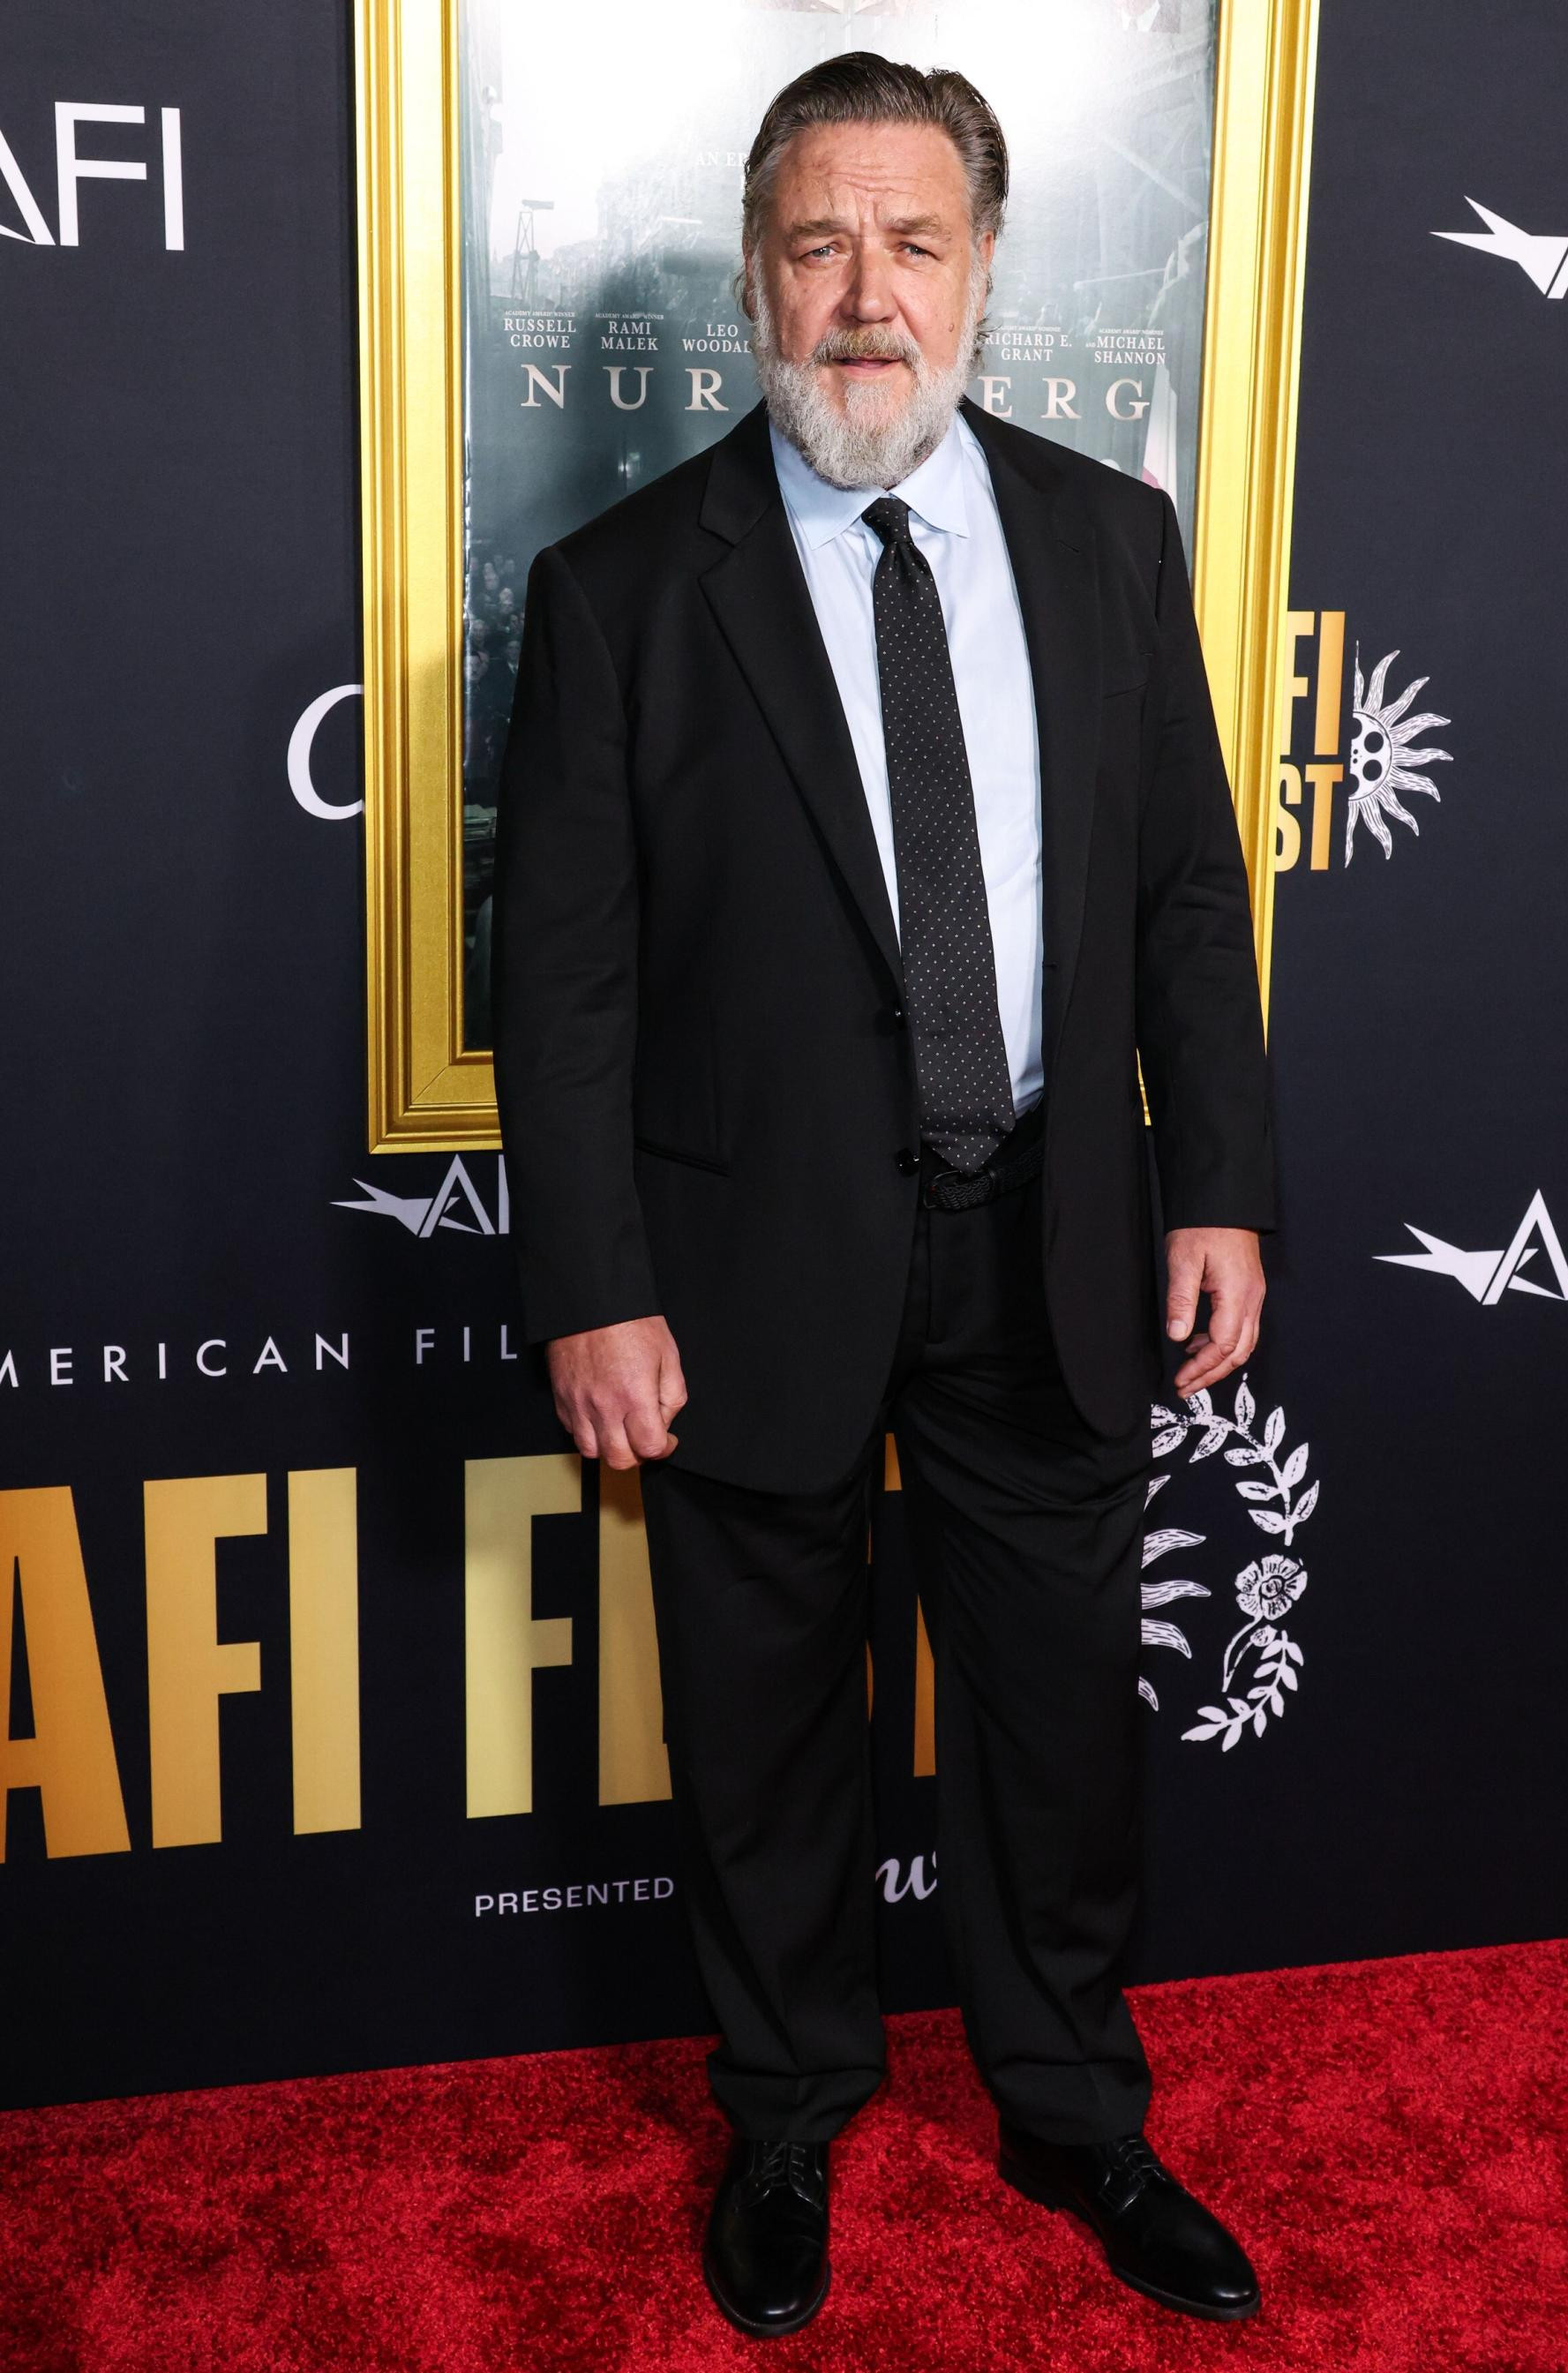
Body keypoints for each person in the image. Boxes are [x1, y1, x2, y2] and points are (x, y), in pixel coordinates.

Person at [492, 52, 1274, 2340]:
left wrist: (1217, 1181)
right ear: (757, 274)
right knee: (761, 1726)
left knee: (1062, 1717)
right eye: (819, 243)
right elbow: (565, 984)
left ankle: (1076, 2111)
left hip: (1054, 1227)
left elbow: (1185, 897)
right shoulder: (625, 591)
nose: (866, 295)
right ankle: (787, 2110)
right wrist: (593, 1284)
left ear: (986, 268)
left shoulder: (1112, 544)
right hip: (746, 1257)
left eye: (913, 242)